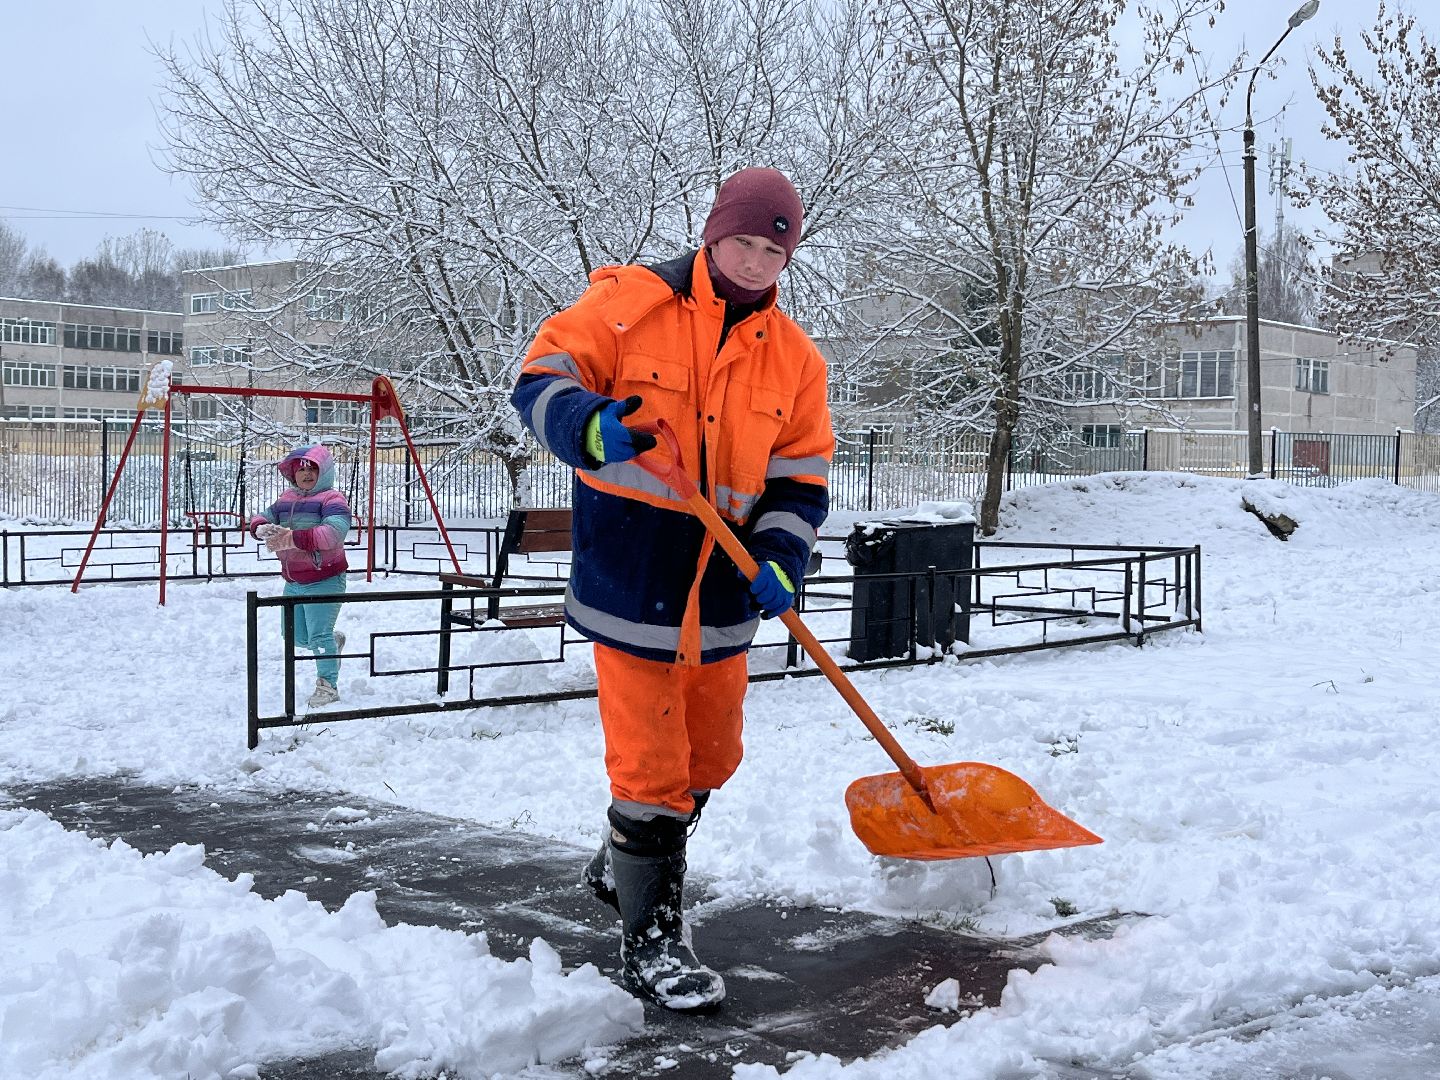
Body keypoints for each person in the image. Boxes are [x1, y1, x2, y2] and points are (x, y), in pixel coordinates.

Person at [511, 167, 834, 1010]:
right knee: (652, 768)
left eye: (775, 248)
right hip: (636, 580)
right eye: (743, 242)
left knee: (711, 757)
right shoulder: (633, 303)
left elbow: (801, 479)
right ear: (711, 233)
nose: (757, 261)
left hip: (726, 595)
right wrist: (593, 424)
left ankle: (626, 863)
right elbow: (539, 377)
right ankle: (653, 942)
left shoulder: (796, 361)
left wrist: (780, 555)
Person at [249, 443, 353, 709]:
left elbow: (333, 533)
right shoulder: (287, 499)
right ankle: (333, 641)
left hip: (325, 578)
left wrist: (291, 538)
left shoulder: (333, 499)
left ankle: (328, 686)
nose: (306, 475)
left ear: (324, 472)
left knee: (318, 637)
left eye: (312, 469)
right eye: (300, 469)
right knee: (294, 636)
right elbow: (263, 516)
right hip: (294, 580)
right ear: (292, 473)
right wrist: (260, 528)